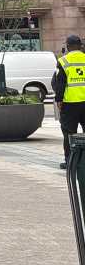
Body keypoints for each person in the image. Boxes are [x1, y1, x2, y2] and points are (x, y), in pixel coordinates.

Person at [53, 34, 85, 170]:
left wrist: (58, 100)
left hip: (70, 103)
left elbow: (59, 83)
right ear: (80, 45)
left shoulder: (63, 61)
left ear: (68, 46)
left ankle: (70, 161)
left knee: (69, 133)